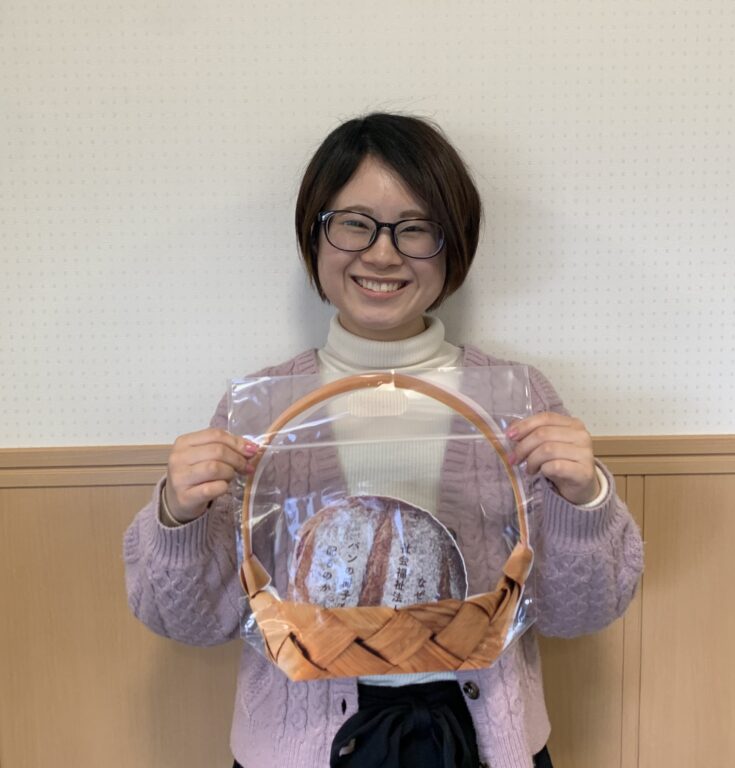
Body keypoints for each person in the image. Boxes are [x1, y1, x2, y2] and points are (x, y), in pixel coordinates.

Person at [123, 113, 644, 768]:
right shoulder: (259, 411)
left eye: (416, 228)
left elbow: (579, 614)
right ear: (314, 235)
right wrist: (178, 516)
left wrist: (585, 500)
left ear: (453, 245)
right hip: (300, 748)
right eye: (354, 223)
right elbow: (192, 622)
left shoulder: (518, 400)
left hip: (482, 742)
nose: (382, 253)